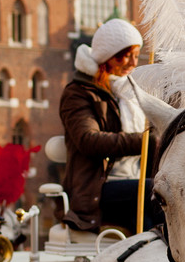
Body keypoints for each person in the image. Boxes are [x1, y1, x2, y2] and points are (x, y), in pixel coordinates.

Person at [60, 18, 157, 234]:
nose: (133, 63)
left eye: (136, 55)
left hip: (133, 184)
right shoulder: (78, 93)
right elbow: (88, 140)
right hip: (96, 189)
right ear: (108, 56)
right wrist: (145, 142)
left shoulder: (131, 92)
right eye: (126, 55)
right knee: (154, 191)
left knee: (163, 198)